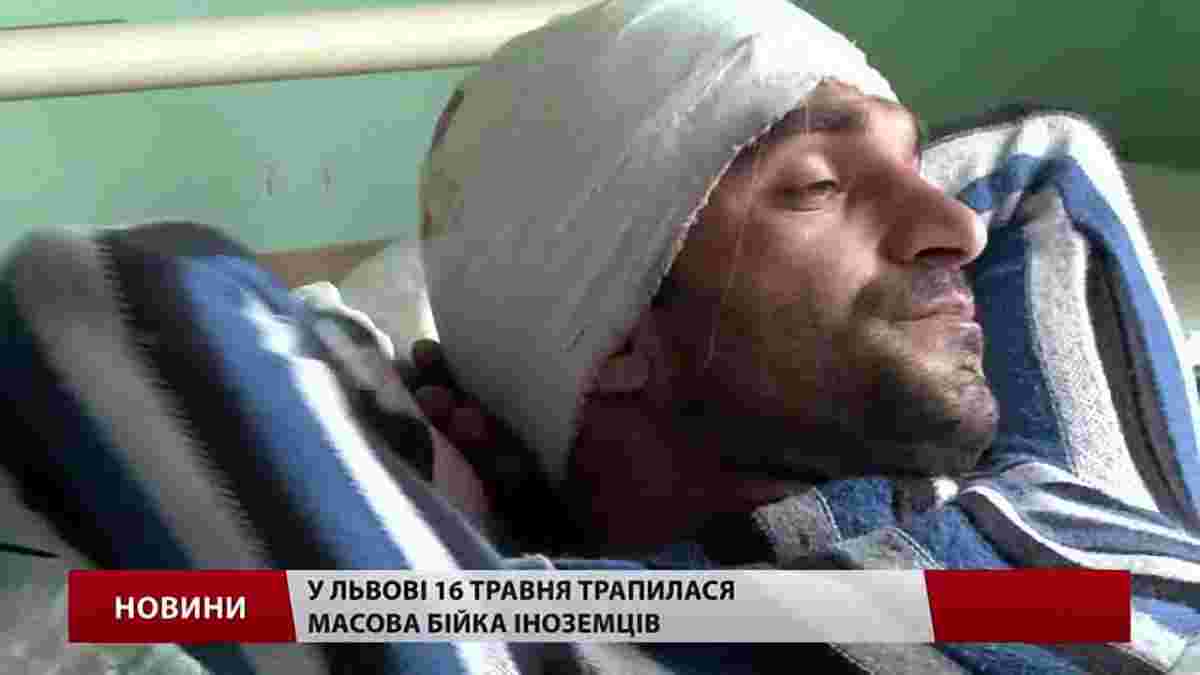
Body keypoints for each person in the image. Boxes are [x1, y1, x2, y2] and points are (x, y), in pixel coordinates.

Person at [401, 0, 1200, 671]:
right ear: (616, 331)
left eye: (915, 167)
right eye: (816, 184)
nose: (961, 228)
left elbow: (1047, 159)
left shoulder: (1072, 477)